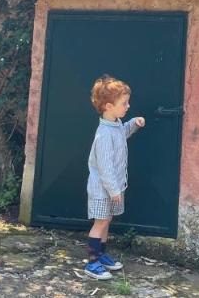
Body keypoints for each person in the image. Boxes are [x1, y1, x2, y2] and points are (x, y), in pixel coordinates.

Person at [82, 75, 146, 281]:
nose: (128, 106)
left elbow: (122, 134)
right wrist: (114, 190)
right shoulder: (103, 135)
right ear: (109, 106)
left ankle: (101, 255)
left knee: (107, 221)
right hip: (103, 188)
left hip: (112, 187)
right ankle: (92, 264)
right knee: (100, 223)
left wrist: (133, 124)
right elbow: (105, 166)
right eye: (124, 103)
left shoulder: (116, 125)